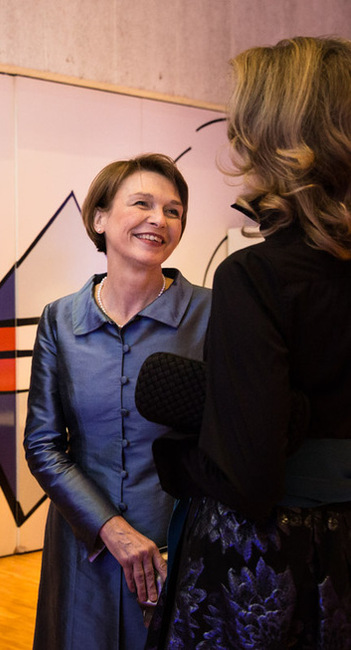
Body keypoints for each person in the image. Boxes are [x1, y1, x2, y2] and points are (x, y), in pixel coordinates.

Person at [146, 36, 351, 648]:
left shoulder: (255, 275)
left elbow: (247, 477)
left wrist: (176, 462)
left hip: (280, 560)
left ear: (271, 135)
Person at [24, 154, 211, 649]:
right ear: (100, 218)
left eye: (173, 211)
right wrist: (111, 530)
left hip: (182, 547)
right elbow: (43, 445)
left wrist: (190, 540)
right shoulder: (60, 320)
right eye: (143, 203)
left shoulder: (213, 315)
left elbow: (230, 438)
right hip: (86, 548)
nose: (159, 219)